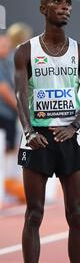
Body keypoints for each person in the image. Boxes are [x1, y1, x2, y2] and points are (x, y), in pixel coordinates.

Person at [14, 0, 80, 263]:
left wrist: (74, 126)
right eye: (57, 2)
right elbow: (22, 95)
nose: (64, 7)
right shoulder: (25, 51)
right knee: (34, 213)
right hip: (37, 139)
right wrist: (28, 130)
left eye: (68, 3)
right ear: (42, 9)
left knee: (76, 214)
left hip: (70, 139)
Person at [0, 34, 25, 202]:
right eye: (4, 45)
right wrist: (19, 107)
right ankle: (5, 189)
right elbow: (3, 89)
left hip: (8, 114)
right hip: (3, 113)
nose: (7, 48)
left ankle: (7, 187)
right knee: (6, 150)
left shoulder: (6, 62)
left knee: (9, 150)